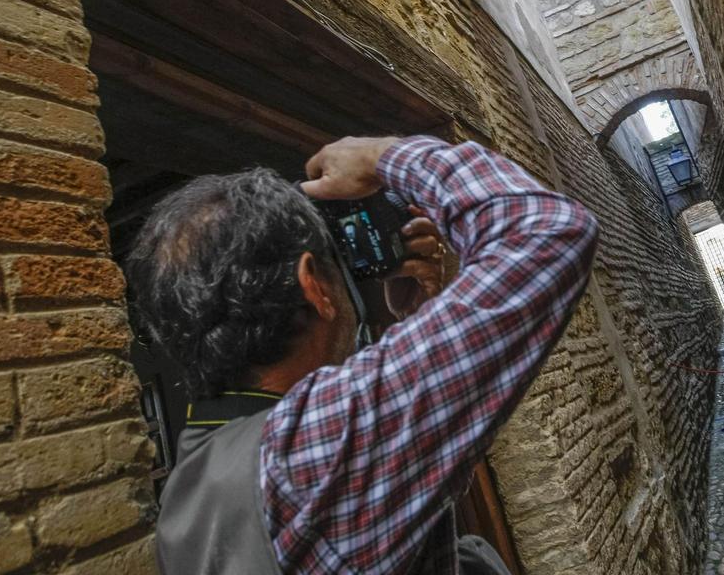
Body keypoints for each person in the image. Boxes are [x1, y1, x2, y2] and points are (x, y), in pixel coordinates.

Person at [127, 135, 599, 574]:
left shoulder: (194, 478)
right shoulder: (305, 455)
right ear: (314, 284)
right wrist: (384, 154)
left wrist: (414, 323)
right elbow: (548, 229)